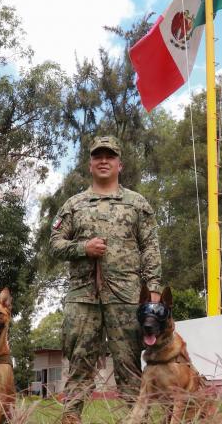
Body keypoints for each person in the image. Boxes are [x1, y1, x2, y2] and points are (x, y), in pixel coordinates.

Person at [49, 136, 162, 424]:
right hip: (83, 297)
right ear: (89, 164)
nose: (103, 161)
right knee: (78, 368)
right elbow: (55, 244)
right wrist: (82, 248)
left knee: (129, 369)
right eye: (98, 156)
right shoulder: (74, 205)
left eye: (109, 156)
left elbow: (150, 247)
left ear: (119, 164)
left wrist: (154, 290)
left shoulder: (136, 204)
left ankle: (137, 421)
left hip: (125, 297)